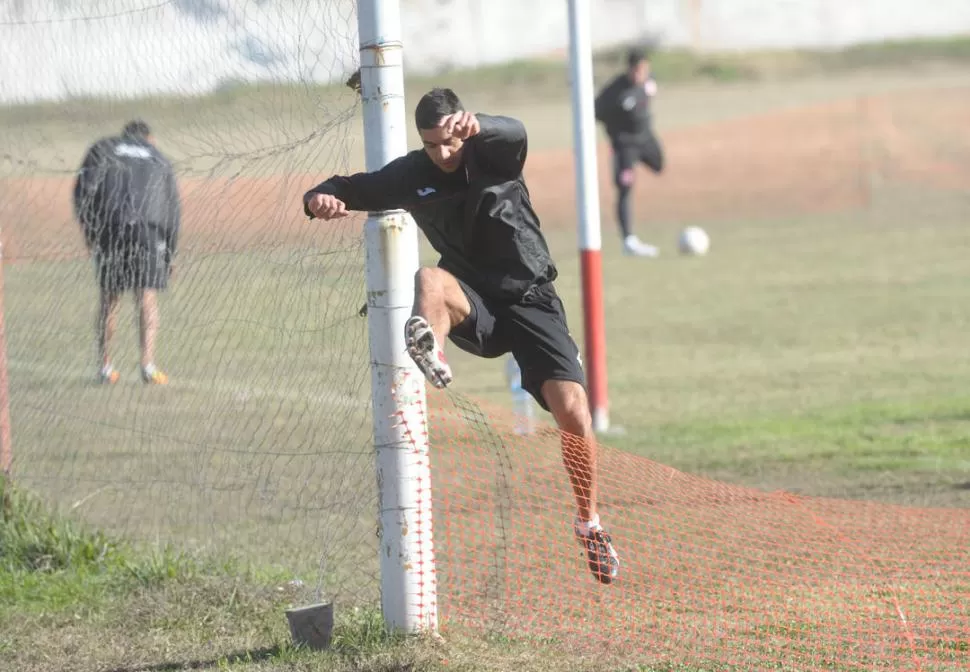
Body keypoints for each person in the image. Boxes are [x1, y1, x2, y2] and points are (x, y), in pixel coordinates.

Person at [303, 88, 620, 584]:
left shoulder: (491, 149)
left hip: (530, 297)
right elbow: (350, 185)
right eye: (431, 145)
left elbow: (515, 130)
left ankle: (589, 523)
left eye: (449, 140)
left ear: (462, 127)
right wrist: (317, 197)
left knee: (574, 414)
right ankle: (434, 353)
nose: (443, 153)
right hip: (472, 299)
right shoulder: (411, 175)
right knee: (429, 279)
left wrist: (480, 125)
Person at [73, 120, 180, 385]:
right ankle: (148, 366)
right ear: (148, 137)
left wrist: (91, 233)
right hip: (149, 231)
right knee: (147, 298)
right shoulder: (158, 156)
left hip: (112, 229)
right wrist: (169, 253)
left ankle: (106, 367)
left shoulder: (103, 148)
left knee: (110, 299)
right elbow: (173, 208)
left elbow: (83, 192)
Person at [595, 47, 664, 258]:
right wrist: (614, 132)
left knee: (659, 165)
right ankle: (629, 240)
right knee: (625, 187)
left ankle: (631, 167)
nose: (640, 75)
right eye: (637, 71)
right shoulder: (615, 91)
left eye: (644, 70)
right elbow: (595, 111)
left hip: (646, 138)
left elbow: (649, 92)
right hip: (625, 145)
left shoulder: (649, 81)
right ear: (629, 69)